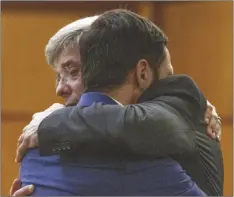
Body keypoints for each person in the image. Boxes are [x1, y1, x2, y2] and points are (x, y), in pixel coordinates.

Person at [11, 10, 222, 196]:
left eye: (73, 71)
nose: (60, 89)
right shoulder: (40, 144)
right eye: (59, 76)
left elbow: (140, 124)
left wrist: (51, 123)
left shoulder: (159, 126)